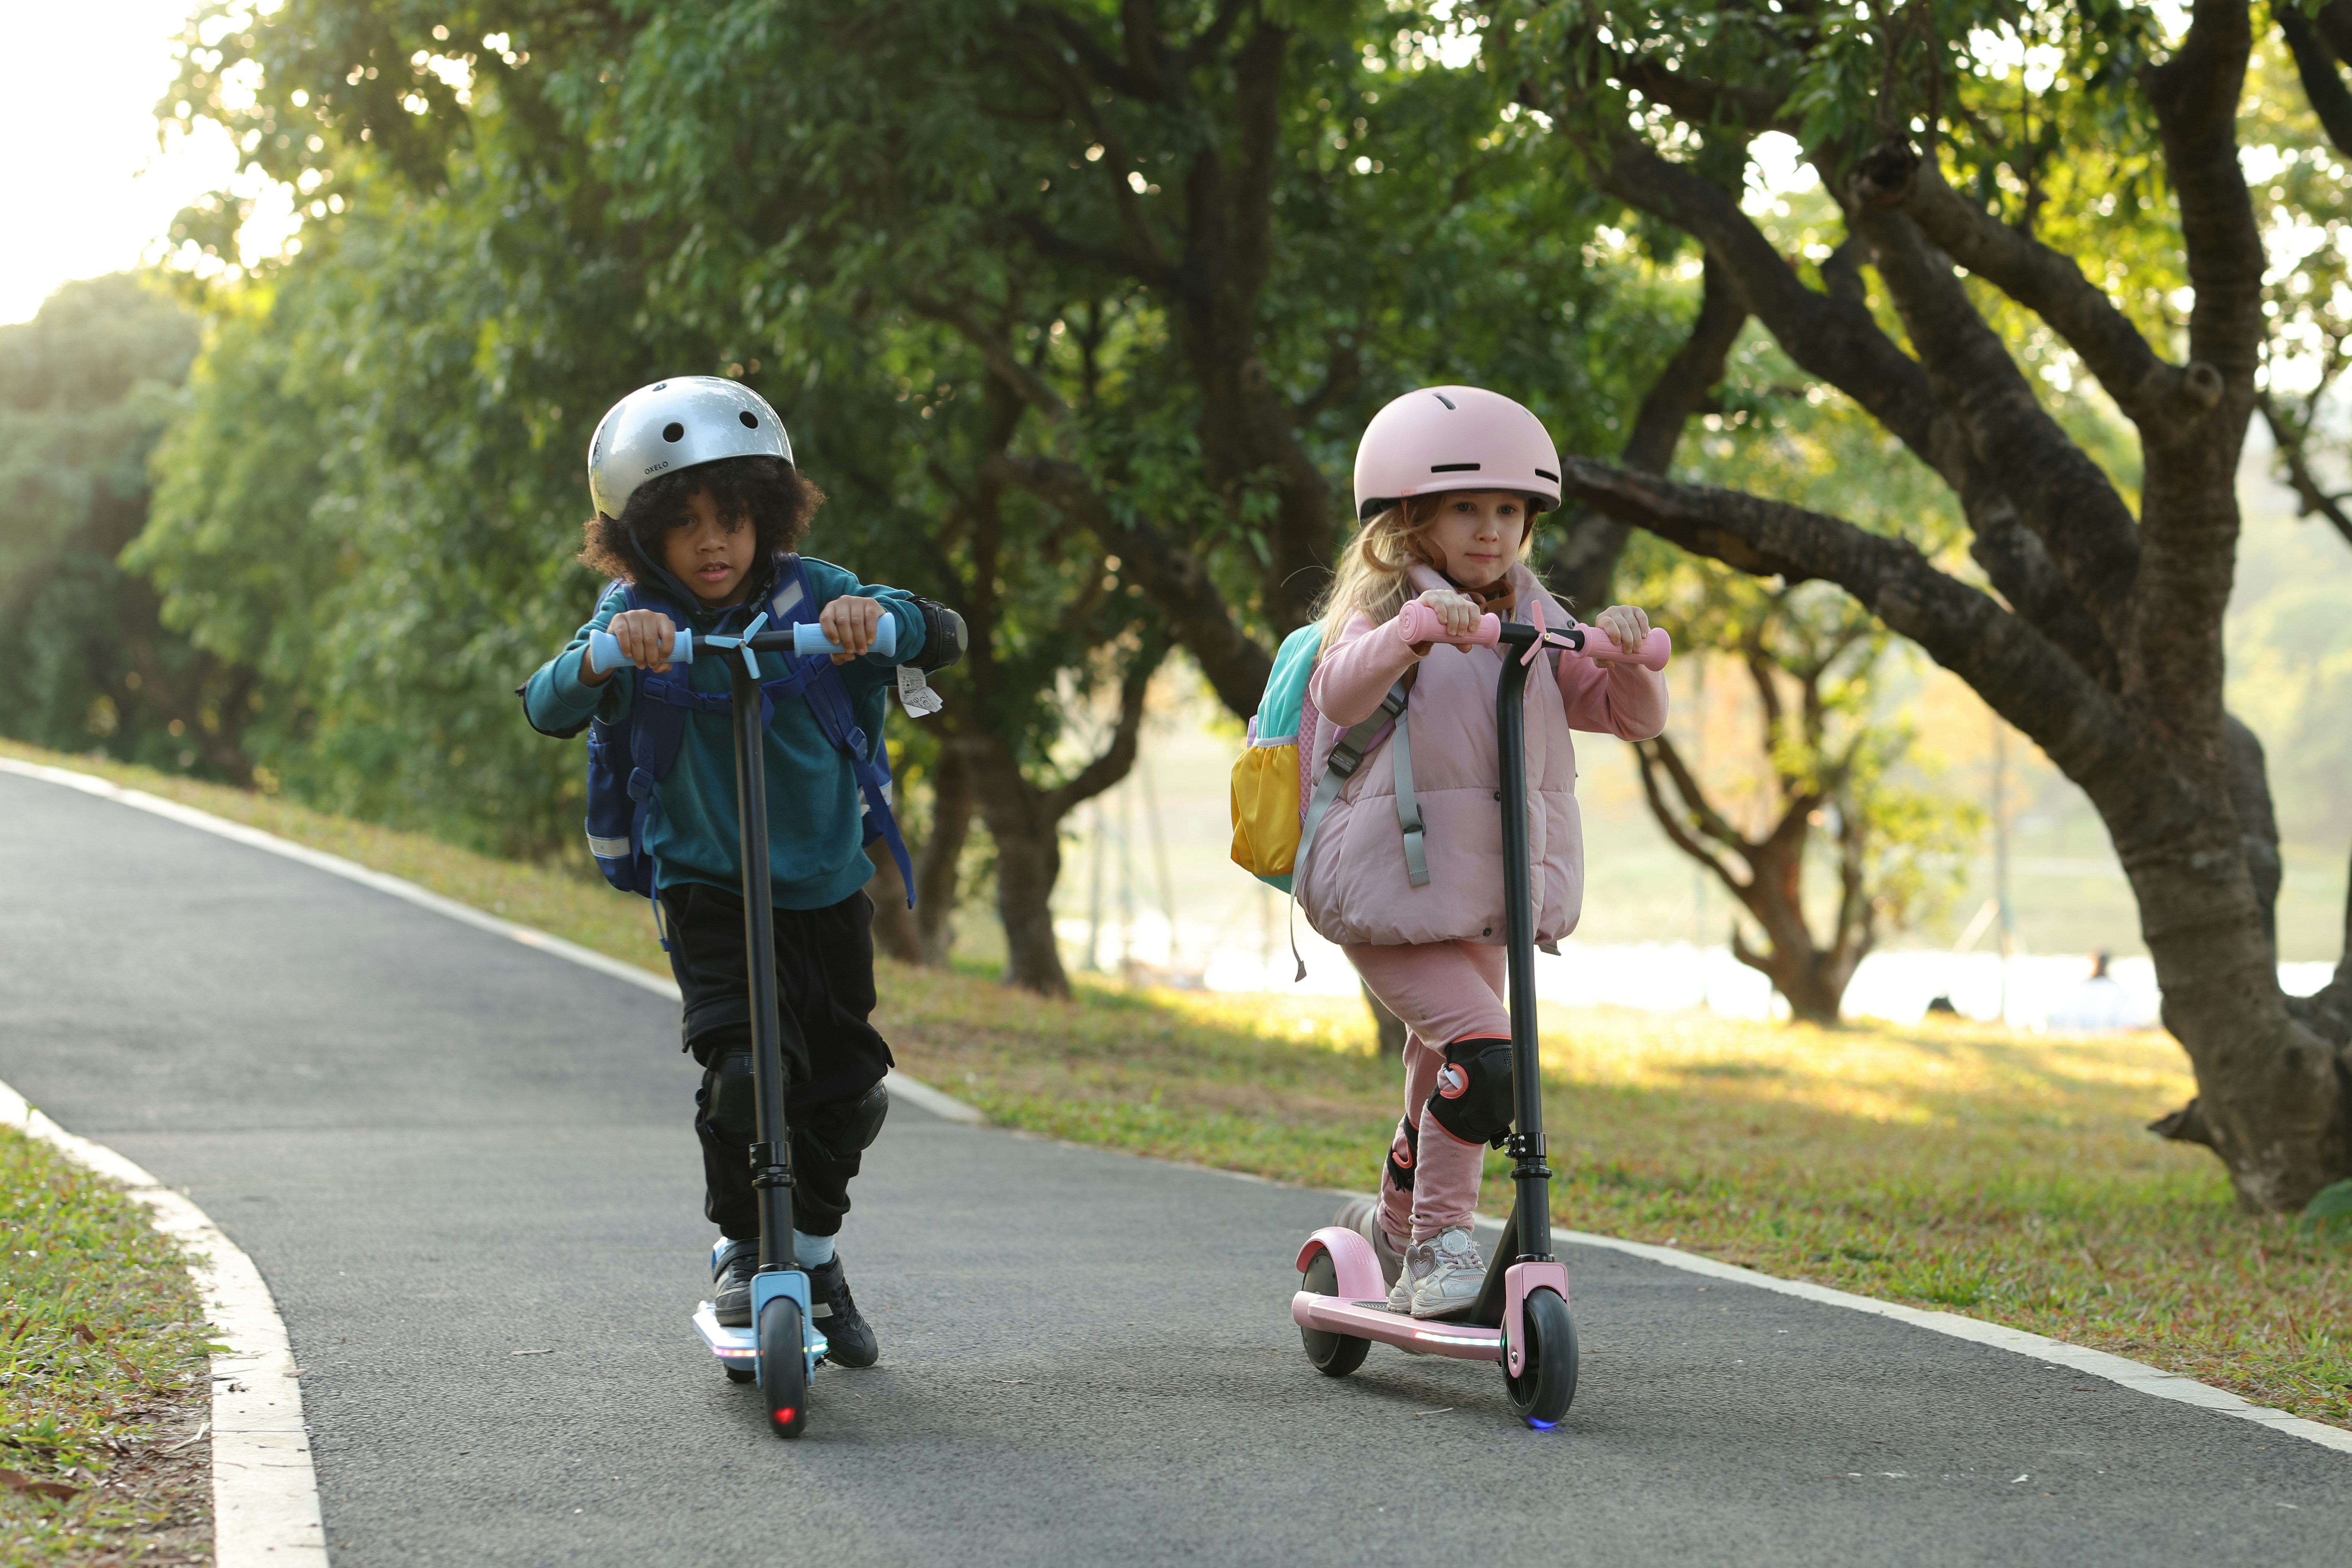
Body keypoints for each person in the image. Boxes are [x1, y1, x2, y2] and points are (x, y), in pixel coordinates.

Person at [521, 376, 946, 1366]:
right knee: (746, 1071)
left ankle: (816, 1255)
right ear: (641, 538)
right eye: (684, 526)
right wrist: (606, 656)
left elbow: (940, 630)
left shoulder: (819, 590)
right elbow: (546, 703)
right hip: (706, 879)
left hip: (828, 881)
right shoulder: (634, 613)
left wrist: (881, 628)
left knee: (849, 1089)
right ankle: (740, 1249)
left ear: (769, 513)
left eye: (734, 518)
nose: (713, 544)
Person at [1312, 387, 1668, 1319]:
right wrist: (1411, 636)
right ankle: (1435, 1245)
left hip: (1480, 901)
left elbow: (1633, 717)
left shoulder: (1539, 624)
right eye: (1467, 508)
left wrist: (1626, 652)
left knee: (1445, 1068)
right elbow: (1341, 695)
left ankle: (1394, 1216)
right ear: (1411, 520)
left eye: (1509, 510)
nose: (1491, 529)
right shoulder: (1385, 613)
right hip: (1388, 896)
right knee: (1491, 1056)